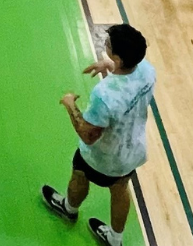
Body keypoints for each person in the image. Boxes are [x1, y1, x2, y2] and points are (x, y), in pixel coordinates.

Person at [41, 24, 155, 246]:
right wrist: (111, 65)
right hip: (132, 149)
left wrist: (70, 104)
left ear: (120, 59)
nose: (105, 45)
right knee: (120, 187)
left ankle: (68, 209)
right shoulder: (148, 71)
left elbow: (88, 135)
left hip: (104, 158)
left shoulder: (105, 95)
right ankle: (115, 239)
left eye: (109, 46)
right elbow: (130, 78)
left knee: (80, 175)